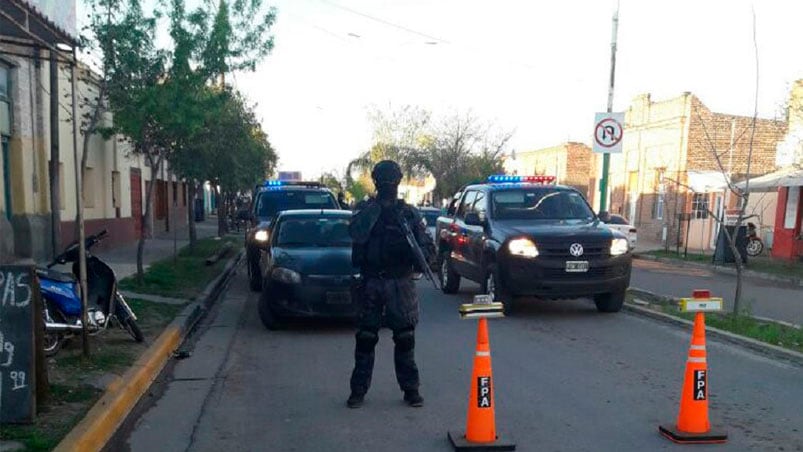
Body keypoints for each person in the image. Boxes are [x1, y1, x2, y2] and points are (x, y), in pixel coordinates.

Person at [347, 160, 435, 409]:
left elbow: (427, 248)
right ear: (377, 182)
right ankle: (358, 391)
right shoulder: (365, 210)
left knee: (405, 337)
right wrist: (377, 210)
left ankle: (411, 390)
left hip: (399, 280)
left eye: (391, 180)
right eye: (384, 180)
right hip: (372, 279)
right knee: (366, 337)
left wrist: (416, 254)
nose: (388, 185)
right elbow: (355, 232)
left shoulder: (408, 213)